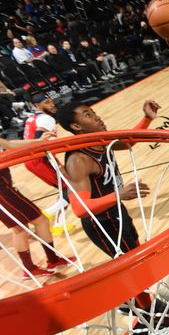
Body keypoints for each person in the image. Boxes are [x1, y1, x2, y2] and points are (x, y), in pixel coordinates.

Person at [55, 100, 160, 309]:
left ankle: (140, 300)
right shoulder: (79, 160)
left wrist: (147, 118)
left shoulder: (100, 140)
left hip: (115, 211)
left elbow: (128, 142)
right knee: (134, 266)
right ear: (76, 127)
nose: (96, 116)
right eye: (87, 114)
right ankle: (148, 311)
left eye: (93, 112)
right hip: (101, 222)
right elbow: (79, 209)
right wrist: (118, 195)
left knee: (134, 260)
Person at [0, 134, 74, 278]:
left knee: (19, 228)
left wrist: (38, 142)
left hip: (4, 187)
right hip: (2, 190)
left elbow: (8, 144)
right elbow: (10, 145)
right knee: (40, 221)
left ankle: (31, 268)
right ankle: (50, 262)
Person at [22, 95, 73, 233]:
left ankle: (58, 225)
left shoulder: (31, 119)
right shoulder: (47, 118)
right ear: (38, 106)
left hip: (33, 160)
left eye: (51, 101)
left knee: (65, 189)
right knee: (71, 187)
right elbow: (38, 140)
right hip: (42, 159)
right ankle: (48, 212)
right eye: (47, 103)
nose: (51, 104)